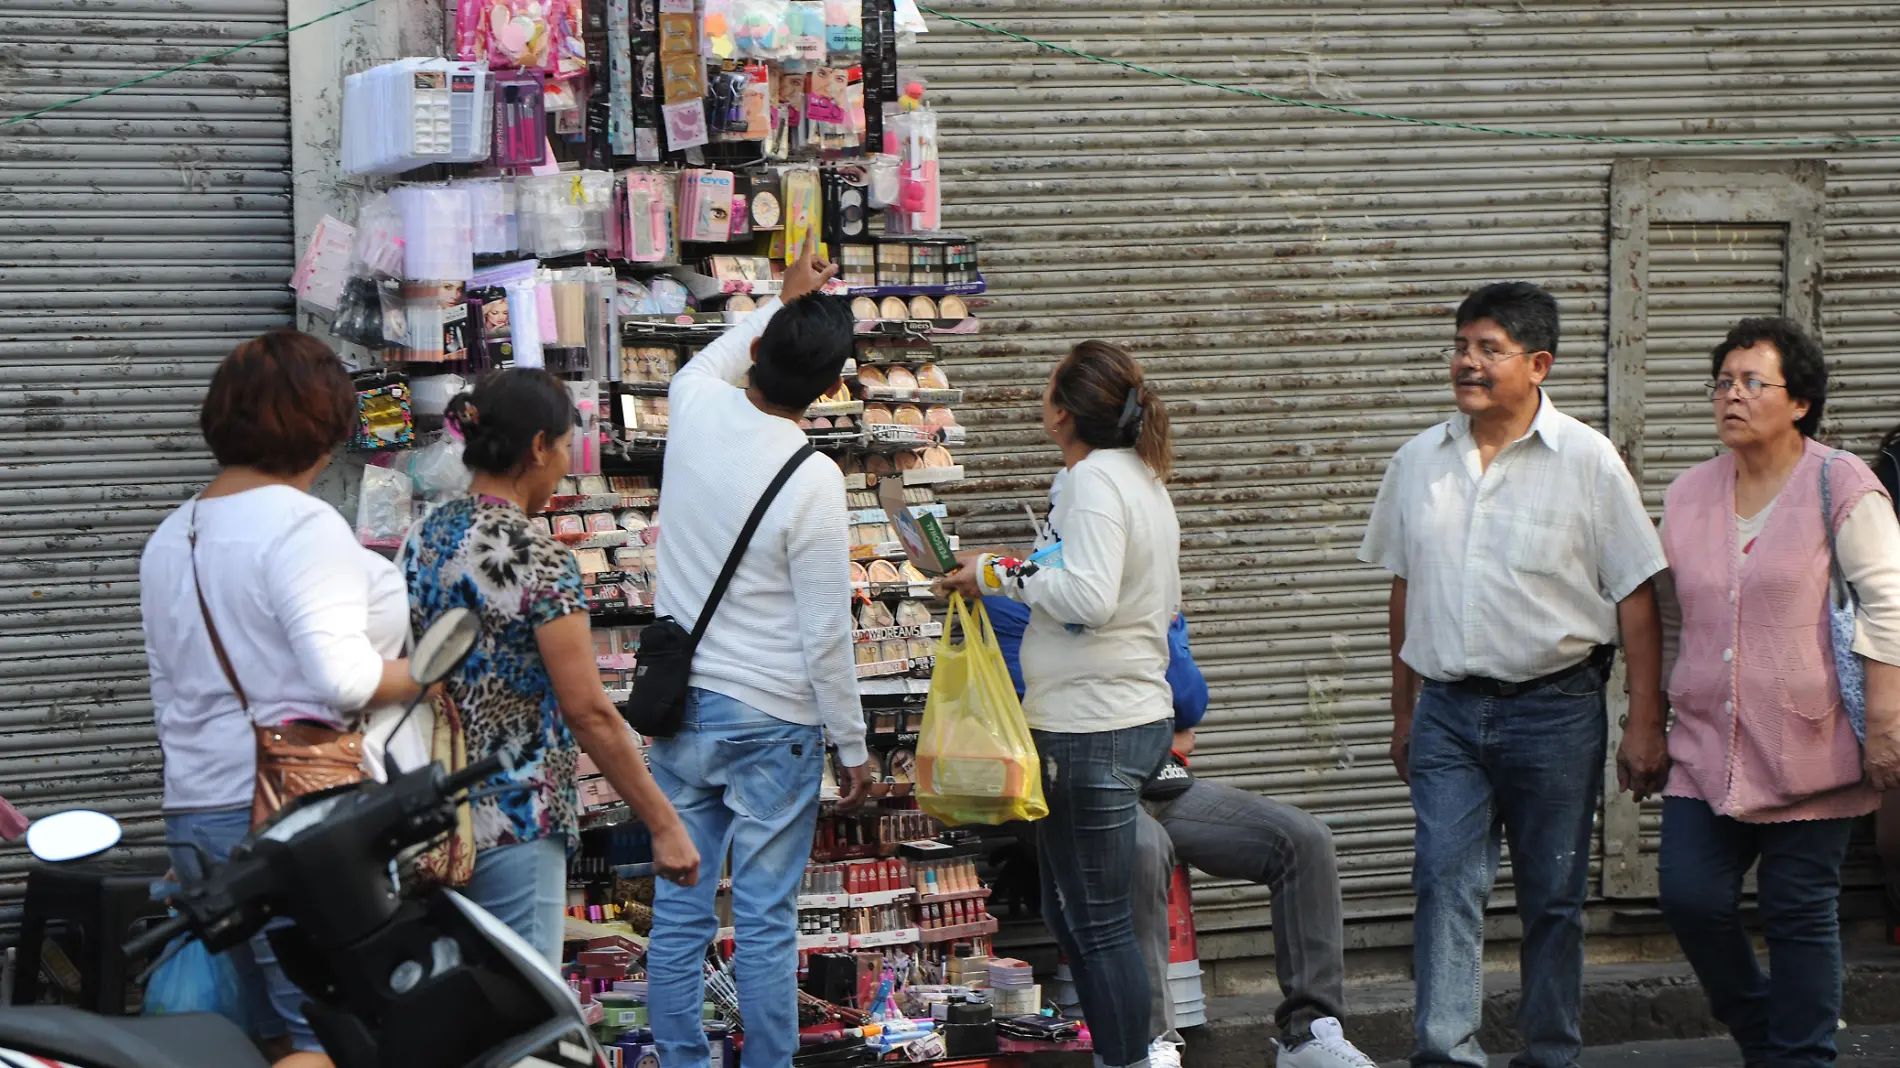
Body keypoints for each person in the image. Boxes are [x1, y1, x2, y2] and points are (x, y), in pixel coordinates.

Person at [1358, 282, 1669, 1068]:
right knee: (1443, 886)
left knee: (1553, 900)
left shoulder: (1590, 462)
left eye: (1486, 349)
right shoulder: (1418, 461)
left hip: (1557, 711)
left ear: (1538, 364)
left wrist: (1644, 720)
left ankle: (1549, 1055)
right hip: (1449, 716)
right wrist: (1404, 714)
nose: (1466, 361)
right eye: (1461, 345)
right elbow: (1405, 592)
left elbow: (1636, 594)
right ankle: (1445, 1053)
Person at [140, 329, 421, 1059]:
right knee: (330, 1032)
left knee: (261, 1035)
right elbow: (346, 680)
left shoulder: (173, 534)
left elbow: (168, 688)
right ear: (323, 429)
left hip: (196, 811)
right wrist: (425, 673)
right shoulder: (302, 527)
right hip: (292, 818)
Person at [644, 252, 871, 1068]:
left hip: (683, 709)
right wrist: (851, 744)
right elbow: (824, 633)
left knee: (680, 913)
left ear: (762, 347)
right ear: (830, 385)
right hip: (774, 720)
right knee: (769, 921)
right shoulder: (813, 479)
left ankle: (681, 1061)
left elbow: (716, 355)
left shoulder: (695, 403)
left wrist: (783, 302)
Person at [1653, 317, 1900, 1068]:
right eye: (1723, 381)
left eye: (1752, 382)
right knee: (1690, 898)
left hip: (1813, 740)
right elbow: (1668, 612)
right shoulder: (1689, 494)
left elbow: (1889, 602)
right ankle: (1767, 1037)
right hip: (1704, 745)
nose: (1732, 395)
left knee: (1799, 913)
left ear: (1799, 402)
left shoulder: (1842, 482)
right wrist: (1646, 720)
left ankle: (1800, 1058)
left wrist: (1887, 720)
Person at [987, 595, 1376, 1068]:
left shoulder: (1147, 596)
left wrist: (1166, 627)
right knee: (1141, 850)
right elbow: (1035, 715)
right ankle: (1149, 1043)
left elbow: (1188, 706)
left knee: (1302, 839)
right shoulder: (1014, 604)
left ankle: (1308, 1035)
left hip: (1160, 784)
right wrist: (1147, 726)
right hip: (1072, 795)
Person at [938, 339, 1180, 1068]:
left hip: (1091, 727)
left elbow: (1087, 597)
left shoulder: (1095, 482)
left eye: (1047, 390)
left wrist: (1001, 575)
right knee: (1073, 912)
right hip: (1123, 716)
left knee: (1098, 924)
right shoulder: (1135, 477)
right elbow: (1082, 574)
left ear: (1064, 413)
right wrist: (997, 569)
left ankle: (1128, 1059)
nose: (1040, 399)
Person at [404, 369, 698, 965]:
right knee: (523, 1017)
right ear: (538, 446)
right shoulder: (538, 557)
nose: (566, 461)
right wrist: (663, 823)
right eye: (564, 446)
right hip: (517, 813)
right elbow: (587, 709)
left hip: (431, 817)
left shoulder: (422, 535)